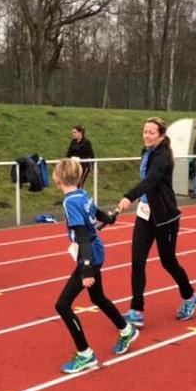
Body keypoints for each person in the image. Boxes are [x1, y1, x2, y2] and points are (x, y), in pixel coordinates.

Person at [53, 158, 138, 373]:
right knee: (97, 297)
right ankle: (126, 329)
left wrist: (86, 269)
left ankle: (85, 354)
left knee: (62, 305)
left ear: (58, 178)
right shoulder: (82, 194)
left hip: (89, 253)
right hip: (95, 250)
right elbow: (95, 212)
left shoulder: (69, 202)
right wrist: (107, 217)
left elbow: (82, 235)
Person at [117, 117, 196, 327]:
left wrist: (130, 196)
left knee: (168, 261)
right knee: (137, 262)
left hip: (165, 217)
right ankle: (136, 310)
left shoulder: (163, 156)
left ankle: (190, 296)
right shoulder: (146, 152)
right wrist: (139, 199)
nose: (147, 135)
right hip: (145, 214)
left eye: (151, 132)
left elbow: (151, 180)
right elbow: (146, 182)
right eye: (145, 131)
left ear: (161, 136)